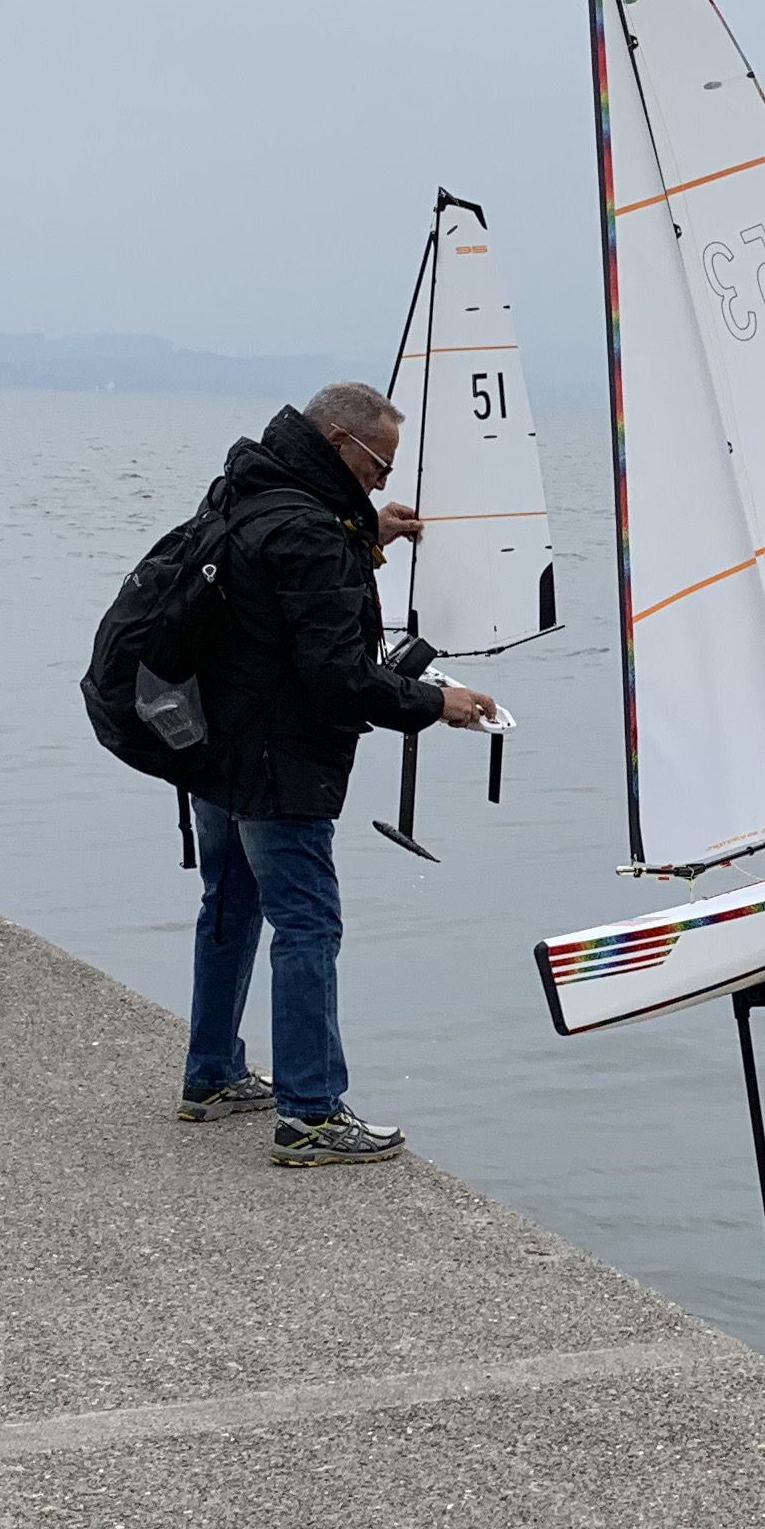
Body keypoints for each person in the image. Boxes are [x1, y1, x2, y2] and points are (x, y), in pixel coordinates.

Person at [172, 381, 492, 1164]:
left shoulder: (244, 488)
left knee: (229, 903)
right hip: (280, 759)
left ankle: (211, 1074)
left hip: (211, 744)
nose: (383, 481)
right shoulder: (313, 532)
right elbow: (337, 676)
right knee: (308, 924)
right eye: (380, 464)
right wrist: (436, 703)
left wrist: (365, 537)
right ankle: (310, 1113)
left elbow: (270, 590)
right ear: (341, 444)